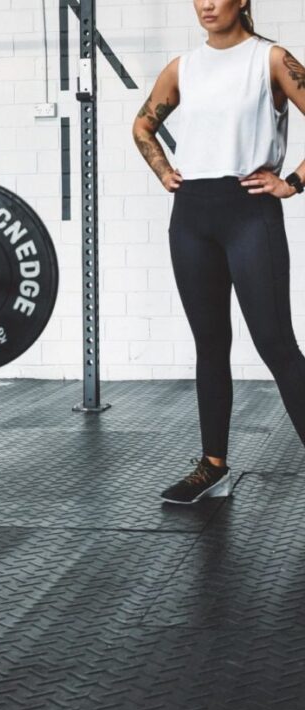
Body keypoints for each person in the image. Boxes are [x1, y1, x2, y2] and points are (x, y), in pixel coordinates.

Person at [132, 0, 305, 505]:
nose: (206, 4)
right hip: (191, 218)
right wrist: (165, 171)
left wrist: (292, 182)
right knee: (210, 345)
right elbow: (142, 126)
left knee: (276, 345)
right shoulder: (182, 67)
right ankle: (213, 468)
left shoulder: (270, 60)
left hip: (248, 214)